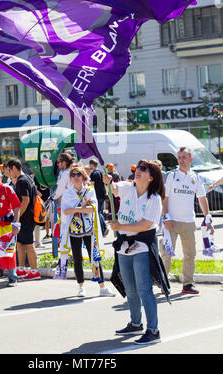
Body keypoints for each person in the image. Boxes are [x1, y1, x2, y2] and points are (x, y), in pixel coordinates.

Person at [103, 160, 167, 345]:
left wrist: (121, 226)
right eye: (138, 168)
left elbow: (146, 224)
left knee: (144, 289)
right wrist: (108, 181)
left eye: (143, 169)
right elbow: (114, 188)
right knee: (130, 289)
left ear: (151, 177)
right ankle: (135, 323)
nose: (138, 171)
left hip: (142, 246)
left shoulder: (154, 198)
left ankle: (153, 330)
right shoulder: (128, 187)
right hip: (124, 246)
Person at [160, 147, 214, 295]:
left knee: (190, 254)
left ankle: (188, 284)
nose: (181, 160)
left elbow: (202, 198)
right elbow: (165, 197)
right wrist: (166, 217)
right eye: (179, 157)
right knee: (167, 253)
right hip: (172, 221)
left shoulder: (196, 177)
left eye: (184, 157)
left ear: (191, 159)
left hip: (189, 222)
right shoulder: (172, 176)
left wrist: (207, 218)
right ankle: (163, 282)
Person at [60, 163, 115, 297]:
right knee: (77, 259)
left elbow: (93, 209)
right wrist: (81, 209)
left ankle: (102, 287)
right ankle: (81, 287)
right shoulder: (68, 193)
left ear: (84, 176)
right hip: (74, 231)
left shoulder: (90, 191)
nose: (76, 177)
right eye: (73, 175)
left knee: (94, 258)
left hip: (89, 230)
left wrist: (76, 209)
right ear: (70, 178)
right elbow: (65, 211)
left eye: (79, 174)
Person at [6, 158, 41, 281]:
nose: (9, 175)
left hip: (26, 219)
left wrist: (18, 217)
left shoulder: (21, 181)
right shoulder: (27, 178)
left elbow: (25, 200)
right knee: (20, 244)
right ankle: (21, 269)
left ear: (14, 168)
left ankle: (34, 271)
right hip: (26, 218)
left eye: (9, 171)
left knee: (29, 245)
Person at [89, 159, 108, 236]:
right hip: (102, 195)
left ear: (91, 165)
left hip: (96, 195)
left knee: (97, 212)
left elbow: (92, 185)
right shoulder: (100, 172)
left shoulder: (93, 174)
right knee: (99, 211)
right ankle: (103, 229)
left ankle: (104, 228)